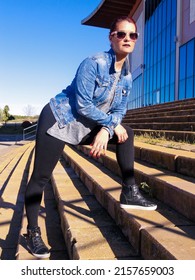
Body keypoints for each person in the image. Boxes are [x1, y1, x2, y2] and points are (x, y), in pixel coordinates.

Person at [24, 16, 157, 259]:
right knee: (41, 177)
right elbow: (83, 104)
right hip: (59, 119)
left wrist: (107, 130)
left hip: (87, 124)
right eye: (121, 34)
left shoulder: (127, 76)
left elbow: (119, 111)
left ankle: (129, 190)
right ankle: (32, 232)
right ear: (111, 37)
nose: (127, 38)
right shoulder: (93, 62)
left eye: (133, 35)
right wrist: (108, 125)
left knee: (127, 133)